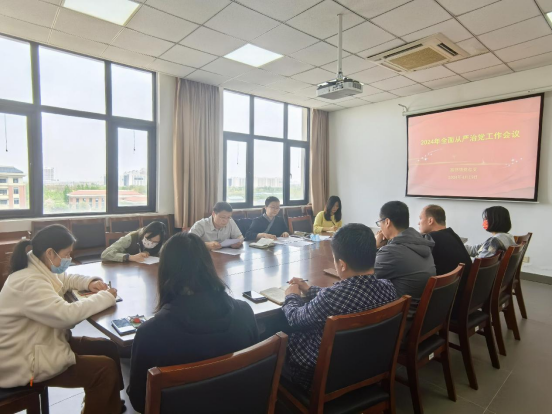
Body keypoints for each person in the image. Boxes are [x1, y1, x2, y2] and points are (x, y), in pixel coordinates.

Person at [127, 233, 259, 413]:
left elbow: (139, 401)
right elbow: (253, 373)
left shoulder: (150, 333)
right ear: (208, 265)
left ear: (164, 271)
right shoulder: (244, 312)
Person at [0, 225, 124, 414]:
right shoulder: (29, 282)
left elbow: (65, 278)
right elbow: (66, 316)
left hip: (41, 344)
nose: (69, 259)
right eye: (66, 254)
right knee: (103, 370)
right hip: (23, 363)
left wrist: (89, 282)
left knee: (107, 348)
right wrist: (105, 297)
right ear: (50, 253)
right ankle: (104, 404)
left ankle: (110, 405)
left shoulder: (39, 266)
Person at [282, 224, 398, 391]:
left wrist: (291, 296)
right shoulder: (388, 288)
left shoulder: (332, 298)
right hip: (369, 367)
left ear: (342, 265)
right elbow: (345, 297)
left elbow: (295, 319)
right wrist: (309, 290)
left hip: (322, 378)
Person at [375, 201, 436, 319]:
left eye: (379, 223)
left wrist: (375, 247)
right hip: (421, 315)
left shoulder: (392, 252)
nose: (380, 227)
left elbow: (363, 277)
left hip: (400, 319)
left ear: (387, 222)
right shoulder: (421, 243)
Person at [419, 205, 473, 314]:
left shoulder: (431, 239)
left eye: (420, 218)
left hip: (447, 305)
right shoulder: (452, 235)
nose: (418, 223)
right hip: (463, 297)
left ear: (430, 220)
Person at [101, 221, 167, 263]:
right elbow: (105, 254)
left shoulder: (160, 245)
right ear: (145, 232)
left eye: (155, 242)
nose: (151, 243)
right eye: (149, 239)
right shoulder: (131, 238)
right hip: (126, 272)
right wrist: (130, 257)